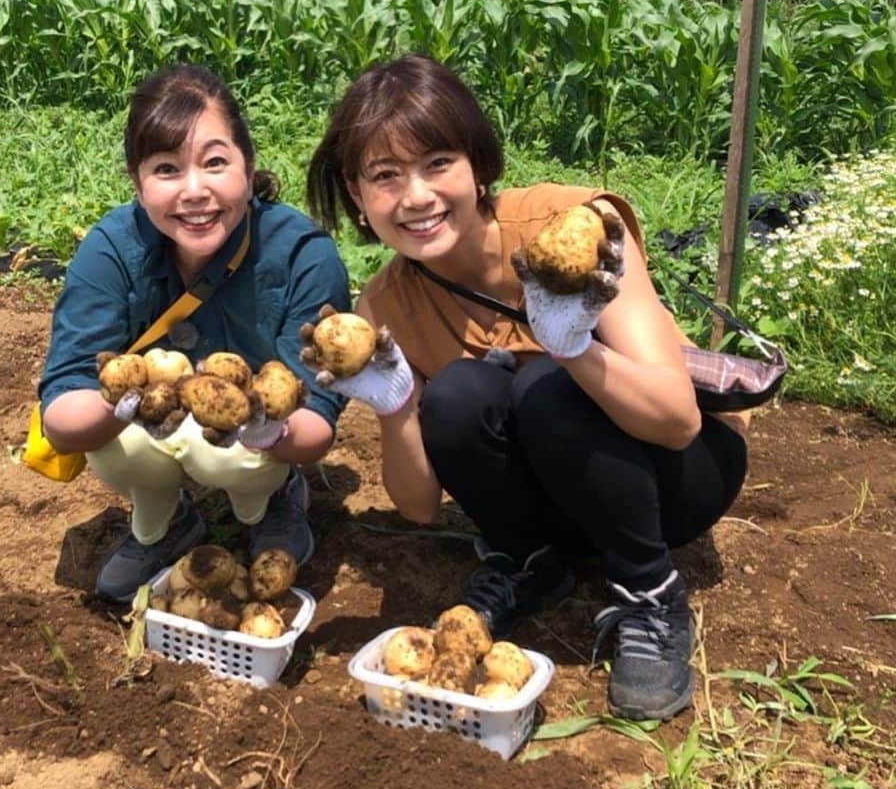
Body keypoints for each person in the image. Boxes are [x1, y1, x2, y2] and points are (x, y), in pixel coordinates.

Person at [305, 55, 748, 721]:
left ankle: (650, 594)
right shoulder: (386, 303)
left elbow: (679, 421)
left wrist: (572, 351)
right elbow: (421, 507)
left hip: (672, 478)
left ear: (478, 164)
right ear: (358, 196)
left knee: (541, 382)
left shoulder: (576, 227)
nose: (416, 196)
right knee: (457, 393)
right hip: (560, 499)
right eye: (385, 177)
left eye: (438, 164)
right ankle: (532, 563)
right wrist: (396, 402)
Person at [39, 64, 350, 602]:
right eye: (166, 169)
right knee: (114, 446)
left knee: (226, 453)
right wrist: (124, 407)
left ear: (249, 169)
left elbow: (315, 421)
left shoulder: (304, 254)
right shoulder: (111, 249)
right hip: (154, 418)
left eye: (214, 163)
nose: (195, 191)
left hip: (257, 440)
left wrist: (262, 427)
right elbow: (61, 417)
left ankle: (271, 501)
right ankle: (161, 524)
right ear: (137, 183)